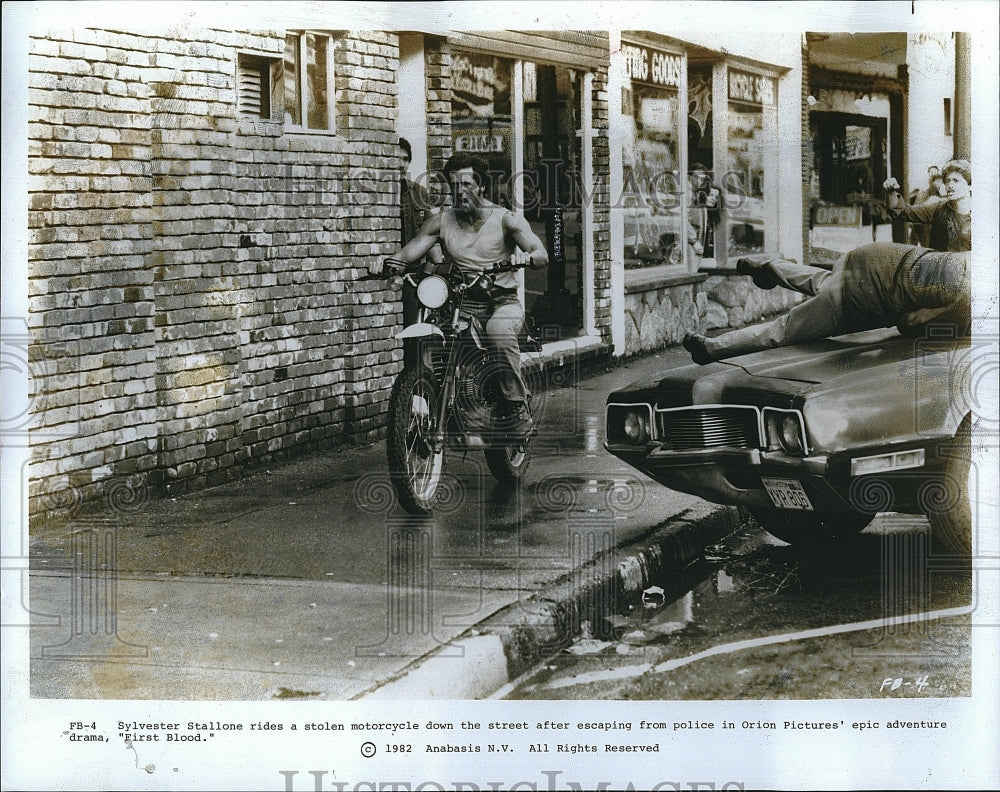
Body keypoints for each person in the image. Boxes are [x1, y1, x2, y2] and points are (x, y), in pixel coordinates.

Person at [370, 152, 549, 437]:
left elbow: (541, 254)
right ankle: (440, 402)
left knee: (498, 333)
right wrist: (387, 264)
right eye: (454, 186)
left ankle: (516, 406)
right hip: (462, 302)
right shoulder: (441, 221)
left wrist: (528, 257)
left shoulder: (507, 220)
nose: (460, 193)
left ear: (482, 187)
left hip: (500, 303)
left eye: (467, 185)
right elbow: (410, 252)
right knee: (434, 336)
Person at [682, 243, 970, 364]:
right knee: (784, 331)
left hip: (873, 256)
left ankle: (770, 266)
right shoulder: (971, 298)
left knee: (827, 282)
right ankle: (711, 348)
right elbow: (911, 323)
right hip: (862, 296)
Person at [397, 138, 442, 366]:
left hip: (415, 280)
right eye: (397, 158)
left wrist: (427, 273)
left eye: (405, 159)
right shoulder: (379, 194)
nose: (401, 164)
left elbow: (433, 239)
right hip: (392, 274)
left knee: (417, 337)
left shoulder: (419, 193)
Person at [885, 159, 971, 252]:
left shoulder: (982, 215)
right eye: (947, 181)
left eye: (956, 181)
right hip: (942, 265)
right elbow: (900, 212)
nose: (950, 185)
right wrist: (891, 192)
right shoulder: (938, 209)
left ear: (970, 185)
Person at [688, 163, 722, 258]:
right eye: (695, 177)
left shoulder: (703, 194)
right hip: (692, 243)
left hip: (702, 244)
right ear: (690, 177)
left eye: (702, 178)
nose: (698, 181)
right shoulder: (689, 195)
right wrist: (694, 241)